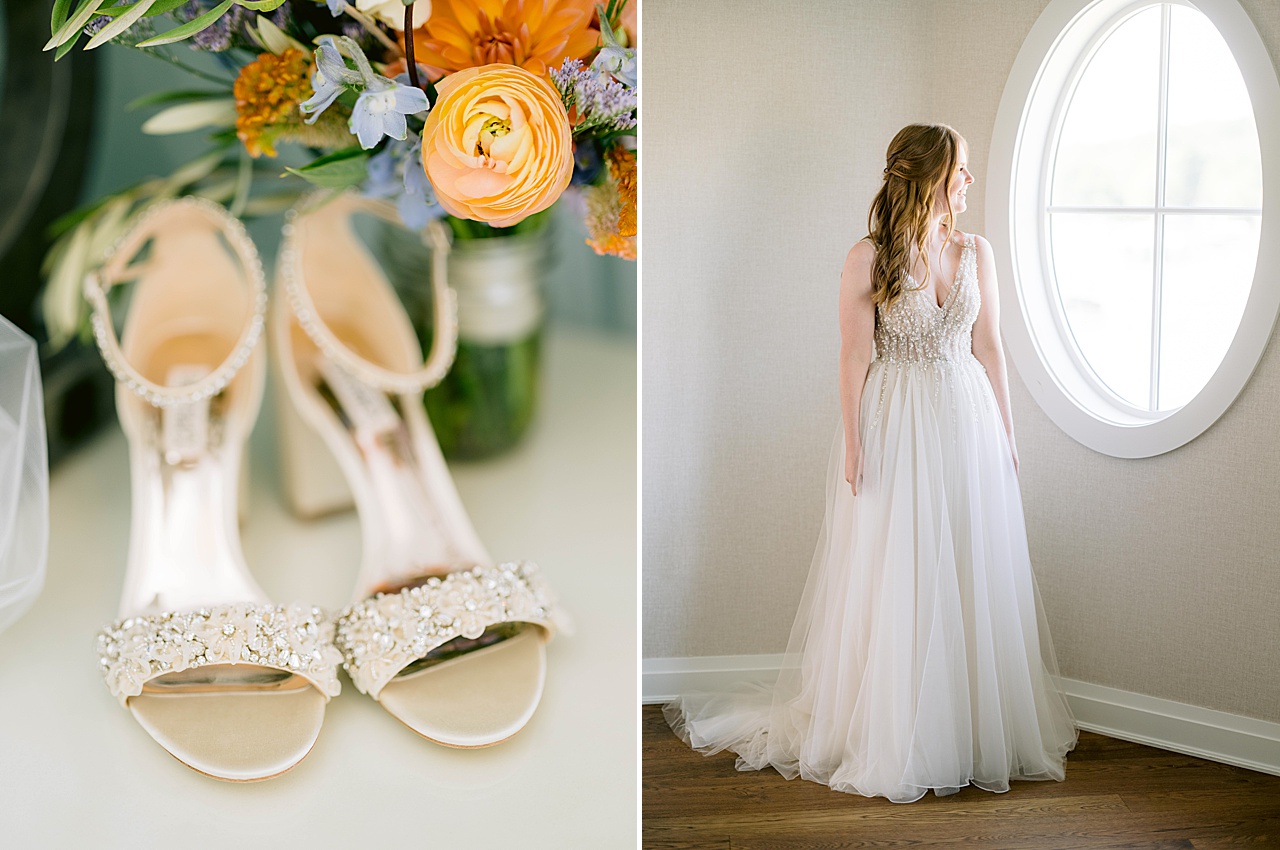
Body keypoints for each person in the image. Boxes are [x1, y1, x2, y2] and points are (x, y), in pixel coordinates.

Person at [663, 123, 1080, 804]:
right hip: (897, 420)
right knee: (902, 573)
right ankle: (898, 733)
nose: (970, 181)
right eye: (961, 169)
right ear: (928, 177)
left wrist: (1008, 435)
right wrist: (855, 444)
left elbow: (993, 348)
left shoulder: (978, 251)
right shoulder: (868, 257)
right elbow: (854, 357)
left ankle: (972, 730)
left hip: (967, 419)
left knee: (971, 565)